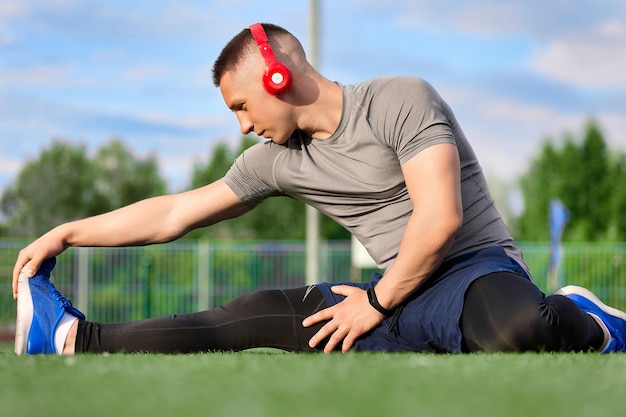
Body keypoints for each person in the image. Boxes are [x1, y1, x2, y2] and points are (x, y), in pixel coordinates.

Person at [12, 23, 626, 356]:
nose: (244, 125)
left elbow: (438, 221)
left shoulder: (399, 99)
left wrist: (377, 303)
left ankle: (593, 321)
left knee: (519, 331)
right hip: (393, 293)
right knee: (246, 317)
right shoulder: (274, 161)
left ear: (278, 77)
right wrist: (67, 232)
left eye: (243, 106)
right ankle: (71, 337)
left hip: (471, 269)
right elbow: (176, 212)